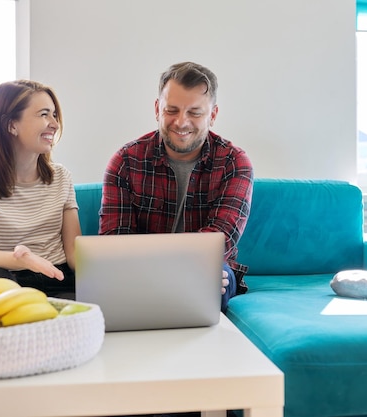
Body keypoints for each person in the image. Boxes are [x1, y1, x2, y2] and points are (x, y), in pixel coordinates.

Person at [99, 61, 254, 312]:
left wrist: (166, 269)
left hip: (206, 266)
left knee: (215, 282)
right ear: (157, 108)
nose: (181, 122)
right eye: (172, 110)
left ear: (212, 115)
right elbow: (115, 241)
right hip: (139, 269)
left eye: (194, 112)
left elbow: (219, 239)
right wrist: (160, 271)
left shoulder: (234, 162)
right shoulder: (125, 161)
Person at [0, 80, 81, 298]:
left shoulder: (61, 177)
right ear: (11, 125)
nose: (54, 124)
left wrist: (109, 270)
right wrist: (24, 260)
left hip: (57, 276)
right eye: (44, 115)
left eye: (54, 115)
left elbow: (74, 254)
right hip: (6, 278)